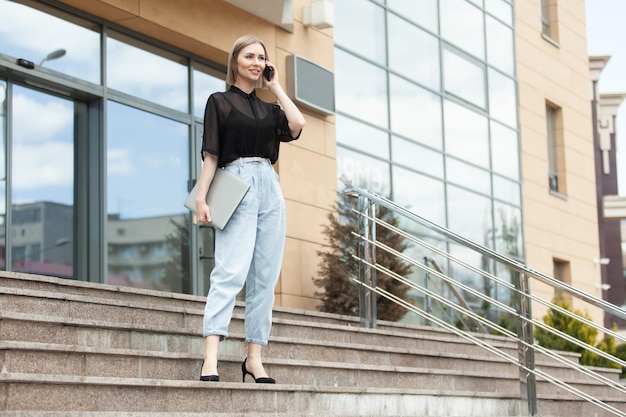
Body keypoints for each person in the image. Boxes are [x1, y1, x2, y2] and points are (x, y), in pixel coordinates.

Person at [196, 35, 305, 383]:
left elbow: (298, 123)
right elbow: (212, 155)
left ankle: (253, 358)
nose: (256, 62)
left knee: (265, 277)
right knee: (230, 270)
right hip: (236, 180)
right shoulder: (220, 102)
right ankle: (210, 355)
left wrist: (277, 88)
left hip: (269, 186)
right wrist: (202, 197)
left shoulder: (271, 109)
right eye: (249, 56)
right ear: (235, 61)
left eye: (262, 57)